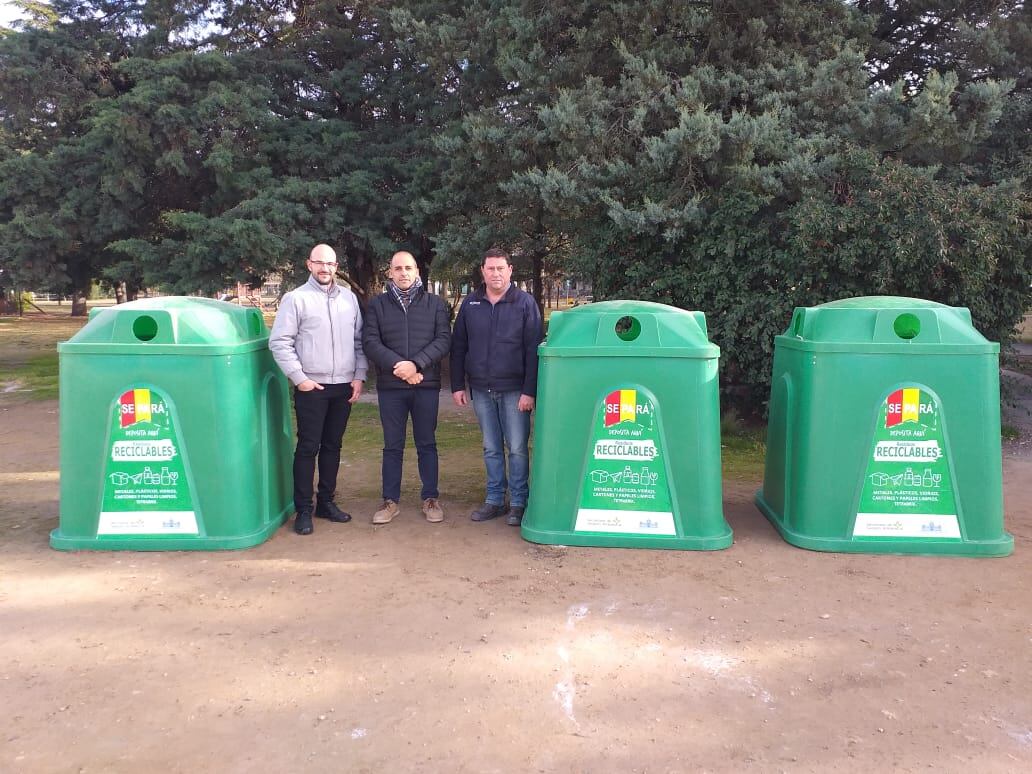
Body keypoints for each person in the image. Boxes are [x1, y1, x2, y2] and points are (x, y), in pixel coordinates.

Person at [269, 243, 367, 535]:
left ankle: (326, 501)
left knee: (333, 446)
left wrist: (359, 375)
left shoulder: (349, 299)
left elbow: (359, 341)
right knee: (308, 447)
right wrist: (299, 378)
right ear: (309, 264)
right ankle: (303, 509)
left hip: (343, 386)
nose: (325, 268)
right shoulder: (295, 299)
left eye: (331, 264)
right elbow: (280, 342)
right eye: (319, 263)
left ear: (337, 267)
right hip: (312, 385)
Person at [451, 247, 544, 526]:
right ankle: (494, 499)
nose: (495, 273)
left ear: (510, 270)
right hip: (481, 389)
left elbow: (533, 350)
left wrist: (530, 391)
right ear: (483, 271)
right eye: (490, 269)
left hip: (515, 390)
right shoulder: (471, 304)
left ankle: (518, 502)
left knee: (516, 447)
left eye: (500, 268)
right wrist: (457, 385)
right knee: (491, 447)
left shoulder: (525, 303)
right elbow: (459, 347)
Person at [363, 251, 451, 525]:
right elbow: (370, 341)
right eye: (398, 268)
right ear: (390, 272)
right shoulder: (377, 305)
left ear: (417, 272)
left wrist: (416, 365)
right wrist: (399, 367)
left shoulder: (435, 304)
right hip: (391, 386)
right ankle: (390, 501)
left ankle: (431, 498)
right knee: (392, 446)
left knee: (427, 443)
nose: (403, 273)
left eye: (408, 268)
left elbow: (443, 339)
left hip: (425, 385)